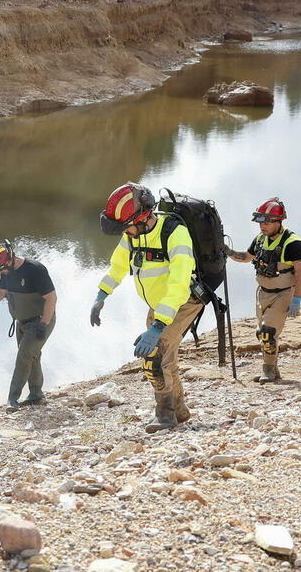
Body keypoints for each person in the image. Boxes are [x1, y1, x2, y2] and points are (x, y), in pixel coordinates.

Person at [90, 183, 203, 433]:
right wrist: (101, 295)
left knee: (154, 355)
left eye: (126, 227)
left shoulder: (175, 233)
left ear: (142, 217)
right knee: (167, 358)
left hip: (183, 302)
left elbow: (179, 284)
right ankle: (180, 410)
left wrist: (158, 325)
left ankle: (165, 414)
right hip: (159, 305)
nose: (125, 233)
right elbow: (118, 266)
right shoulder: (132, 233)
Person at [222, 197, 301, 382]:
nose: (263, 226)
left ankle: (268, 370)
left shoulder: (294, 244)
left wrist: (297, 299)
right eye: (260, 221)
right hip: (262, 293)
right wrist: (228, 252)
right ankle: (273, 370)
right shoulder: (261, 239)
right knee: (261, 333)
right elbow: (246, 257)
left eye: (267, 222)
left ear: (279, 222)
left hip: (283, 294)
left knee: (268, 332)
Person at [0, 242, 56, 410]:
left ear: (8, 261)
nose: (0, 274)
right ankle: (36, 394)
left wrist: (43, 324)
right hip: (21, 322)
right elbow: (0, 294)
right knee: (33, 356)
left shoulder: (35, 270)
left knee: (24, 356)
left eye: (0, 269)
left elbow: (51, 298)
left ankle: (12, 399)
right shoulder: (7, 272)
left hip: (40, 320)